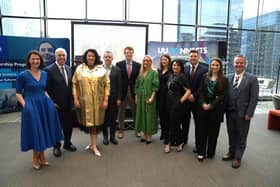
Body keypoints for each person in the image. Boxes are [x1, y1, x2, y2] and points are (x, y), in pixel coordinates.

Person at [15, 50, 63, 170]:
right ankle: (35, 157)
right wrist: (25, 106)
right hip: (31, 105)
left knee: (44, 130)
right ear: (29, 61)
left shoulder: (44, 74)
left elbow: (44, 90)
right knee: (37, 131)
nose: (35, 61)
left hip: (44, 104)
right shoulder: (23, 75)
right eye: (33, 59)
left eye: (37, 59)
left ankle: (42, 156)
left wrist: (51, 102)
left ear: (40, 61)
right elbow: (18, 94)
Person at [222, 54, 259, 169]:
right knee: (231, 133)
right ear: (233, 64)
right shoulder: (228, 77)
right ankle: (231, 152)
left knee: (241, 136)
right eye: (237, 62)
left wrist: (249, 113)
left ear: (245, 64)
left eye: (241, 63)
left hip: (243, 114)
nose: (238, 64)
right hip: (230, 112)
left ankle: (238, 157)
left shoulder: (252, 79)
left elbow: (254, 98)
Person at [72, 49, 110, 157]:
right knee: (89, 123)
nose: (90, 58)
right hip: (84, 101)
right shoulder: (79, 69)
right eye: (89, 56)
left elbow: (107, 85)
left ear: (96, 57)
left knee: (95, 124)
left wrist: (106, 100)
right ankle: (92, 143)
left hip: (98, 102)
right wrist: (75, 99)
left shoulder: (101, 69)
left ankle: (94, 145)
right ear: (86, 57)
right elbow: (74, 84)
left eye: (93, 56)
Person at [45, 48, 77, 157]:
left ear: (66, 56)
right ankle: (56, 146)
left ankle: (67, 143)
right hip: (56, 105)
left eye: (63, 55)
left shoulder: (69, 69)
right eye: (59, 55)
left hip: (69, 104)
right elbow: (46, 89)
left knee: (68, 125)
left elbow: (71, 86)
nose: (62, 57)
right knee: (56, 126)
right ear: (55, 56)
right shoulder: (48, 70)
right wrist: (51, 102)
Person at [196, 57, 228, 161]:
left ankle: (210, 152)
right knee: (202, 131)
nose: (214, 67)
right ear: (210, 66)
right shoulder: (204, 76)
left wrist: (212, 105)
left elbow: (223, 95)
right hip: (203, 108)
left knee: (213, 133)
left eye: (217, 65)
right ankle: (201, 152)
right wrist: (203, 103)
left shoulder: (224, 79)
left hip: (216, 109)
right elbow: (200, 92)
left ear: (220, 67)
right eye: (213, 65)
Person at [183, 49, 208, 151]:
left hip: (198, 101)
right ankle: (183, 140)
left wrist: (194, 95)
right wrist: (188, 95)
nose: (193, 58)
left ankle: (198, 145)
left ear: (198, 57)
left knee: (199, 124)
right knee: (184, 122)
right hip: (186, 100)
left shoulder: (205, 69)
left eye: (195, 56)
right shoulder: (185, 69)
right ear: (189, 58)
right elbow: (182, 84)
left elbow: (204, 86)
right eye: (191, 56)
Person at [164, 60, 191, 153]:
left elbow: (188, 91)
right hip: (168, 103)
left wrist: (180, 101)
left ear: (181, 67)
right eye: (174, 65)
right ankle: (180, 142)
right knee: (171, 123)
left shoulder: (182, 76)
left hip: (177, 104)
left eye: (178, 65)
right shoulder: (171, 75)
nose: (175, 67)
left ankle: (168, 144)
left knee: (173, 124)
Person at [116, 46, 141, 139]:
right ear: (125, 53)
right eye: (127, 52)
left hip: (133, 92)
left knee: (135, 112)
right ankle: (120, 131)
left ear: (132, 54)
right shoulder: (119, 64)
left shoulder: (138, 65)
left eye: (131, 52)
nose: (129, 54)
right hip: (122, 92)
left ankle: (137, 130)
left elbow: (139, 80)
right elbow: (118, 80)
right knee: (121, 112)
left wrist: (138, 92)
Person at [134, 55, 159, 143]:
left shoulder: (154, 72)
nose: (145, 62)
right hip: (140, 97)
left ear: (150, 62)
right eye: (144, 61)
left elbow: (155, 86)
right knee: (142, 115)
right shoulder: (141, 72)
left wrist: (152, 97)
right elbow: (136, 86)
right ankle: (144, 135)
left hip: (149, 96)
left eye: (147, 61)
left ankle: (149, 136)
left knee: (149, 116)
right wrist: (136, 97)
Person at [102, 51, 122, 145]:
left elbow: (119, 85)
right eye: (106, 57)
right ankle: (105, 137)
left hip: (114, 98)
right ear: (103, 58)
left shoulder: (117, 70)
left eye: (109, 57)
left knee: (113, 119)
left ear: (112, 58)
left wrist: (119, 98)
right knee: (104, 119)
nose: (107, 58)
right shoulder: (98, 69)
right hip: (102, 99)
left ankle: (112, 137)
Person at [157, 54, 172, 140]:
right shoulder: (159, 71)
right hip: (159, 96)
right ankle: (163, 132)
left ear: (169, 61)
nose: (164, 61)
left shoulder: (171, 71)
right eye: (162, 59)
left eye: (165, 59)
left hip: (167, 96)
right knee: (161, 116)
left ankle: (167, 134)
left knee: (167, 117)